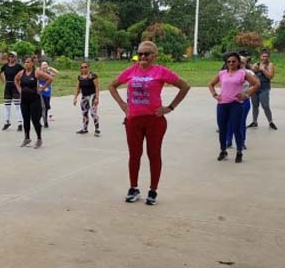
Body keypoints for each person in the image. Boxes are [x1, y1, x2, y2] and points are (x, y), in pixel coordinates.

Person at [109, 41, 190, 205]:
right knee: (134, 155)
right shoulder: (131, 70)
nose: (143, 57)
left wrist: (170, 107)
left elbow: (185, 86)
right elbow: (112, 86)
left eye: (147, 54)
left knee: (153, 154)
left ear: (154, 56)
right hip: (133, 121)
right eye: (140, 54)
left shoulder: (161, 71)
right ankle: (133, 188)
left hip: (154, 121)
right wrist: (123, 105)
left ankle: (153, 190)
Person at [209, 53, 259, 163]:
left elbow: (256, 84)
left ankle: (239, 151)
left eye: (233, 61)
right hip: (222, 104)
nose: (231, 63)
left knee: (237, 128)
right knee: (222, 129)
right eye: (229, 61)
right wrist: (215, 95)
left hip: (236, 104)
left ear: (238, 63)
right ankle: (223, 150)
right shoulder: (222, 73)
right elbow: (211, 84)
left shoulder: (242, 73)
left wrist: (246, 94)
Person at [15, 56, 53, 148]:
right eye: (25, 62)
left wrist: (42, 88)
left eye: (28, 62)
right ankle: (27, 138)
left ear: (32, 63)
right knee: (25, 119)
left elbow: (50, 78)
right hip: (24, 100)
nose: (26, 64)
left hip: (34, 100)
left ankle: (39, 139)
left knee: (35, 120)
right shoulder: (21, 73)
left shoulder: (36, 72)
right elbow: (15, 80)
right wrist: (19, 89)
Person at [225, 54, 254, 150]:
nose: (240, 64)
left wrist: (247, 94)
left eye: (242, 62)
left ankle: (242, 142)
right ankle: (228, 140)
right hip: (230, 100)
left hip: (243, 101)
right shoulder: (229, 72)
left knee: (241, 122)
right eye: (239, 62)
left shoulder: (249, 73)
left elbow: (256, 85)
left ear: (245, 63)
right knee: (229, 121)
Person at [248, 49, 277, 130]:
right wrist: (253, 69)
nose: (265, 58)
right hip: (254, 88)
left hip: (264, 88)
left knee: (265, 105)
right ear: (260, 56)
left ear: (269, 57)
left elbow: (270, 76)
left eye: (267, 56)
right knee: (255, 106)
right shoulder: (256, 64)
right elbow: (251, 74)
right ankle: (254, 122)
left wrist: (263, 69)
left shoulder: (270, 65)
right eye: (263, 56)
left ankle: (270, 122)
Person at [0, 52, 23, 131]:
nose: (11, 58)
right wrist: (3, 81)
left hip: (15, 86)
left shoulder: (18, 66)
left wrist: (20, 83)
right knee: (7, 106)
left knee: (17, 106)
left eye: (12, 56)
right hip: (8, 86)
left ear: (15, 57)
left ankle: (20, 123)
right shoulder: (5, 66)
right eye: (9, 56)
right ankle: (6, 122)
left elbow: (24, 74)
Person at [73, 62, 101, 136]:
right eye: (82, 67)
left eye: (85, 67)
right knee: (84, 113)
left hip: (92, 96)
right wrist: (75, 97)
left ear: (88, 67)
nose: (84, 69)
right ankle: (85, 129)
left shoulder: (93, 76)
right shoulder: (80, 77)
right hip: (84, 97)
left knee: (93, 113)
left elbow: (97, 87)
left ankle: (97, 129)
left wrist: (97, 98)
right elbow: (78, 88)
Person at [39, 61, 58, 128]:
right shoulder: (39, 73)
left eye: (46, 64)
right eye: (43, 65)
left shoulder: (49, 73)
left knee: (46, 107)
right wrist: (41, 87)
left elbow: (57, 73)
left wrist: (50, 68)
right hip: (40, 92)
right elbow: (36, 81)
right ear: (40, 66)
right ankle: (45, 122)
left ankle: (43, 120)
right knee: (42, 107)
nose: (45, 66)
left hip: (48, 92)